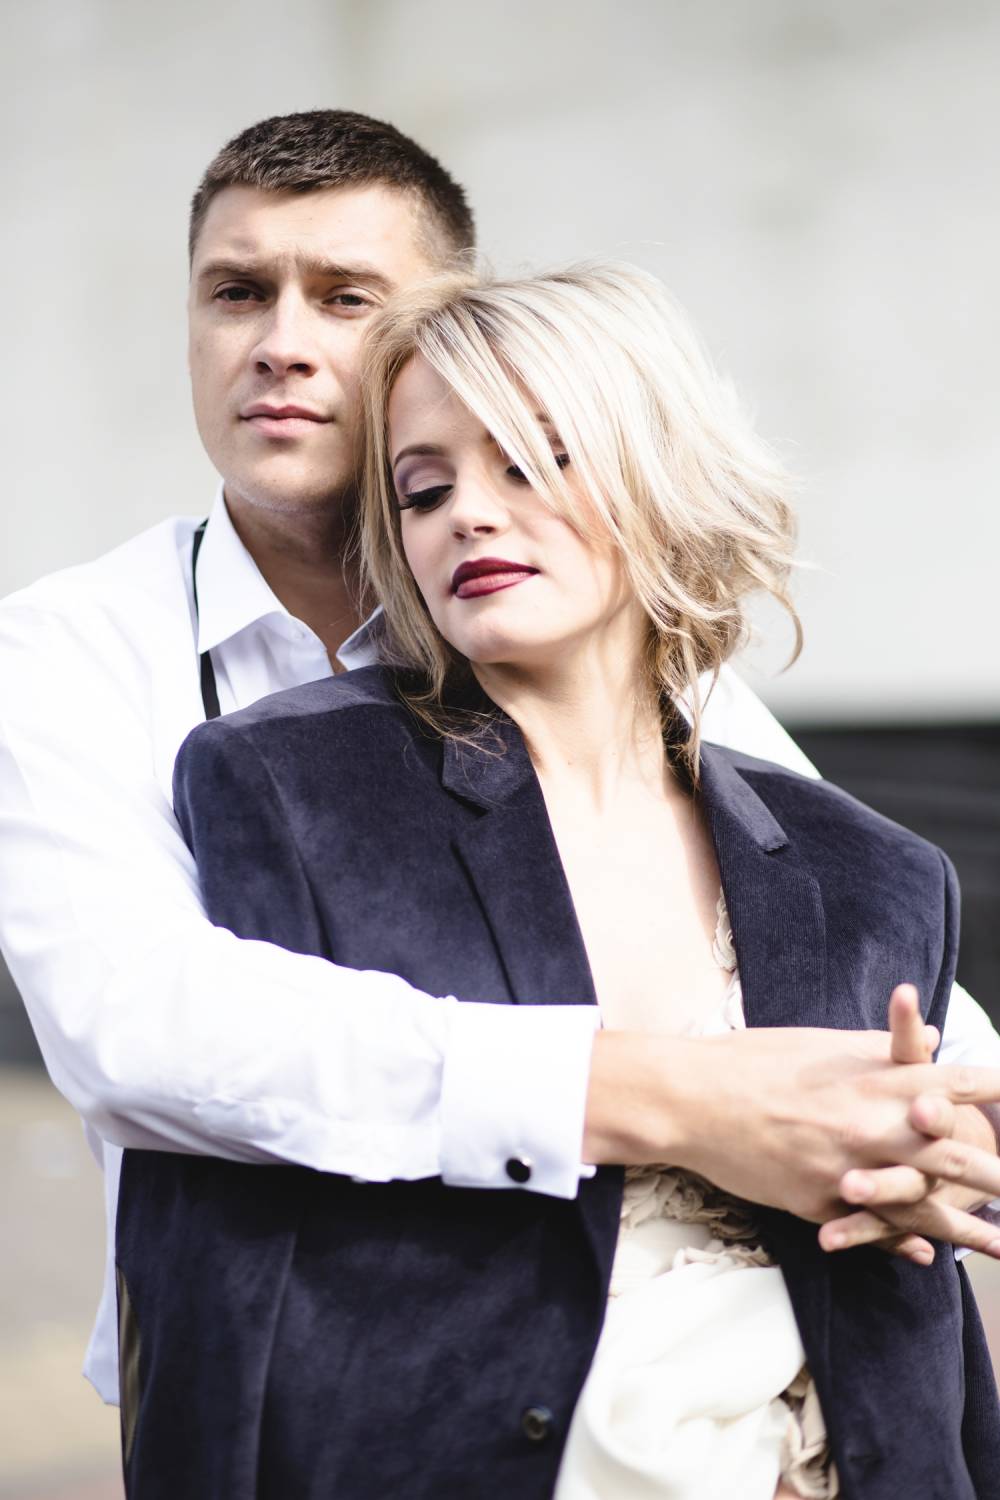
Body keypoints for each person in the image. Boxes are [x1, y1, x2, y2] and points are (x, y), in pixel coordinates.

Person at [1, 109, 999, 1418]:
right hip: (307, 1395)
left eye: (345, 297)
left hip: (682, 1382)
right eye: (237, 293)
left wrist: (937, 1127)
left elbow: (871, 959)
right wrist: (672, 1096)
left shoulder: (579, 620)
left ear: (439, 333)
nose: (280, 343)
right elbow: (140, 1029)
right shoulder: (68, 649)